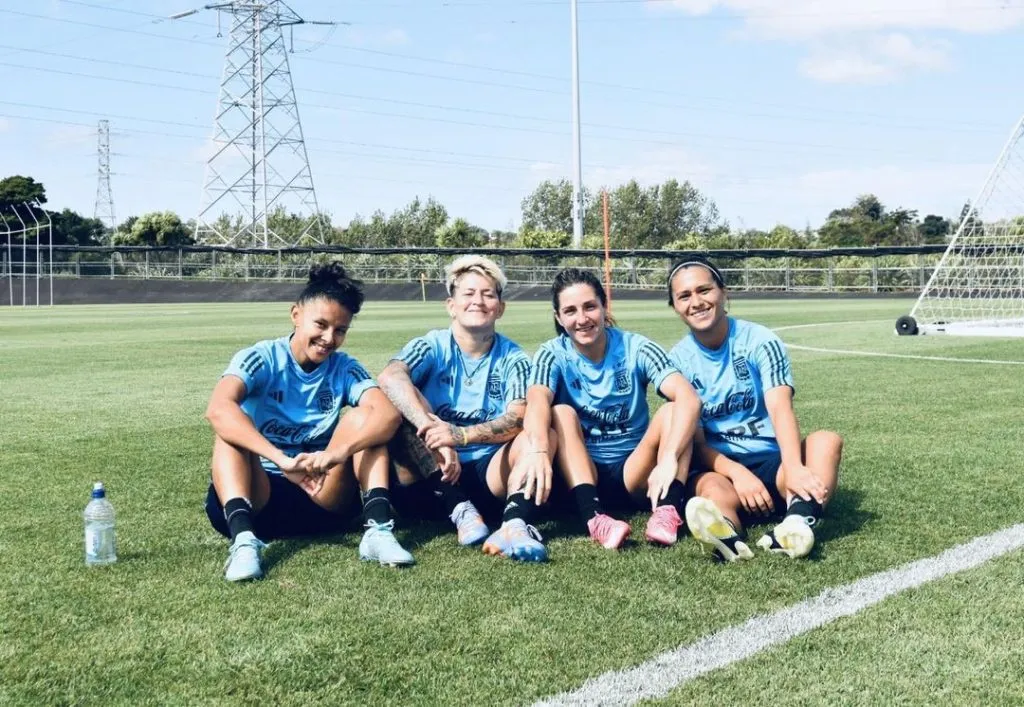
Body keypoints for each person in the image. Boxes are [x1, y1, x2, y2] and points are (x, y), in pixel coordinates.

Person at [203, 262, 414, 582]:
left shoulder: (344, 367)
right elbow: (217, 408)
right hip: (259, 497)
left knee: (368, 420)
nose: (329, 338)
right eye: (321, 324)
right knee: (231, 426)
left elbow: (388, 414)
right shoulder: (261, 357)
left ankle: (377, 531)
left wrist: (335, 455)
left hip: (324, 495)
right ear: (296, 314)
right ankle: (244, 541)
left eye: (340, 330)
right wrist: (281, 460)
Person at [666, 257, 844, 561]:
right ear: (675, 307)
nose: (696, 302)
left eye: (704, 290)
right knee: (711, 489)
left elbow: (780, 408)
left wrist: (794, 468)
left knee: (826, 442)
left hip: (772, 462)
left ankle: (796, 523)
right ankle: (727, 536)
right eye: (684, 296)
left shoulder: (760, 340)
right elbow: (694, 443)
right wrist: (737, 473)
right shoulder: (677, 360)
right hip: (720, 466)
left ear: (723, 293)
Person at [514, 267, 702, 550]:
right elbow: (537, 399)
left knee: (675, 411)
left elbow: (689, 398)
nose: (582, 319)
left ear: (604, 306)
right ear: (558, 317)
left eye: (590, 306)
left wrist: (669, 459)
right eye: (570, 311)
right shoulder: (551, 353)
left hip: (635, 473)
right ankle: (595, 519)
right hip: (580, 473)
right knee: (560, 413)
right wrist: (539, 449)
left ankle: (666, 510)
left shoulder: (636, 346)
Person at [378, 255, 549, 562]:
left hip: (488, 477)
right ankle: (457, 507)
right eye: (468, 293)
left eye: (488, 294)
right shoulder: (431, 345)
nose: (478, 301)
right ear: (451, 305)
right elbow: (390, 377)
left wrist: (458, 435)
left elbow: (518, 417)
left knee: (537, 431)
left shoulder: (514, 359)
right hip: (430, 478)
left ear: (500, 307)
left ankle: (514, 521)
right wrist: (435, 433)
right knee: (397, 400)